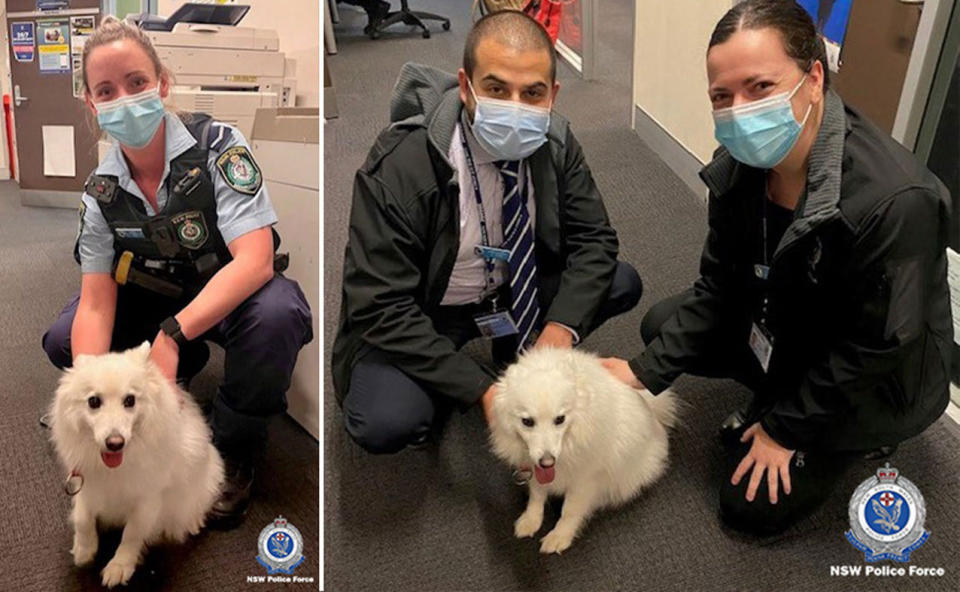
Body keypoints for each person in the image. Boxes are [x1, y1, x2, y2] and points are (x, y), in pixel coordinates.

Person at [603, 0, 951, 535]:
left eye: (760, 87)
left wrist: (784, 429)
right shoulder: (742, 169)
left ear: (814, 78)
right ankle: (773, 391)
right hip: (791, 326)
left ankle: (857, 436)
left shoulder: (897, 202)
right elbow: (720, 286)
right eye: (723, 96)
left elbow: (880, 347)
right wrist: (642, 373)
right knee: (660, 331)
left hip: (870, 377)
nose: (739, 110)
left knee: (746, 511)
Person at [41, 16, 313, 527]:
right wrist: (95, 395)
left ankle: (233, 447)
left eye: (137, 82)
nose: (123, 98)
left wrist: (171, 334)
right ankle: (156, 390)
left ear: (162, 83)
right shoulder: (100, 191)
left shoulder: (218, 146)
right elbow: (98, 301)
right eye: (106, 90)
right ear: (92, 104)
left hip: (226, 295)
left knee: (279, 314)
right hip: (150, 297)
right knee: (64, 341)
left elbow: (254, 261)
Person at [332, 10, 642, 454]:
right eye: (497, 89)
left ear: (552, 95)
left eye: (532, 93)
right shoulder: (402, 163)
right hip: (431, 308)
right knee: (387, 421)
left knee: (619, 281)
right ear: (465, 87)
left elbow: (595, 241)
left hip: (515, 294)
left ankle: (515, 343)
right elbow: (379, 305)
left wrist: (557, 331)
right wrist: (482, 390)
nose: (515, 107)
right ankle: (452, 375)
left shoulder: (556, 143)